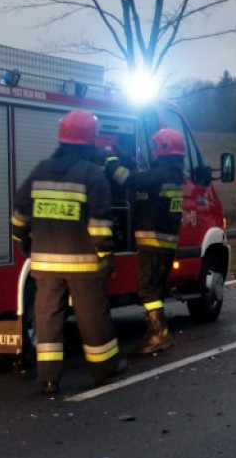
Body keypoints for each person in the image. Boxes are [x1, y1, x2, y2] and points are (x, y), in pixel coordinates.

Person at [12, 109, 126, 395]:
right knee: (93, 318)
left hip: (45, 264)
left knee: (48, 320)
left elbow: (19, 214)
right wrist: (106, 257)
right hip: (83, 264)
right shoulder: (92, 175)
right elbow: (100, 226)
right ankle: (104, 369)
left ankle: (48, 378)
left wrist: (23, 243)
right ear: (91, 141)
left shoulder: (40, 170)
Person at [105, 128, 185, 354]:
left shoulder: (160, 176)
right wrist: (121, 152)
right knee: (154, 290)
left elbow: (128, 179)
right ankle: (154, 333)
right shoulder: (171, 175)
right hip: (164, 243)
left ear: (164, 148)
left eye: (156, 147)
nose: (154, 151)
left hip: (154, 243)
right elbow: (141, 174)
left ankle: (159, 335)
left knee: (147, 290)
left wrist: (108, 156)